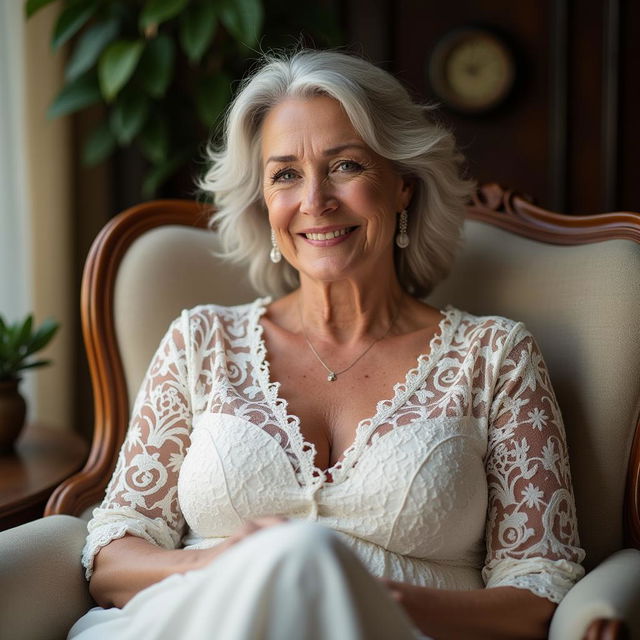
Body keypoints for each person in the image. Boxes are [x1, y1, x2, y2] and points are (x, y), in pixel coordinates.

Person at [68, 49, 585, 640]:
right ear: (265, 204)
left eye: (345, 166)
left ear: (403, 187)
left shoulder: (495, 357)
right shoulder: (200, 340)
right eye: (285, 174)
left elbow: (540, 589)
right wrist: (222, 567)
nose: (315, 200)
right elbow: (112, 556)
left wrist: (351, 589)